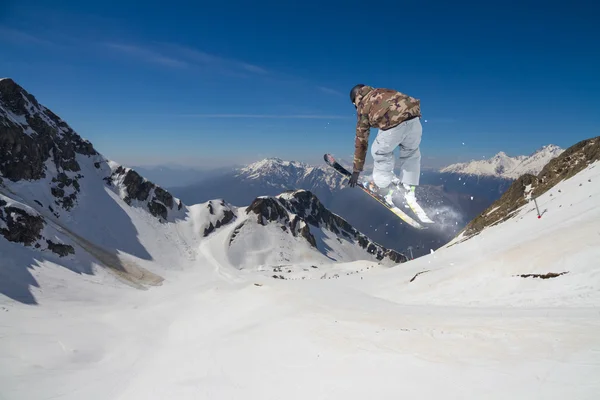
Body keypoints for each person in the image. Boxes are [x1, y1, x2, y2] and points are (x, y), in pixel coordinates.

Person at [348, 84, 423, 204]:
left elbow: (361, 139)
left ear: (356, 98)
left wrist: (356, 170)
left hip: (395, 123)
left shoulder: (363, 104)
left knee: (379, 152)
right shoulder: (382, 91)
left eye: (353, 103)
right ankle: (408, 186)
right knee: (411, 152)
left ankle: (381, 188)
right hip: (415, 120)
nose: (355, 106)